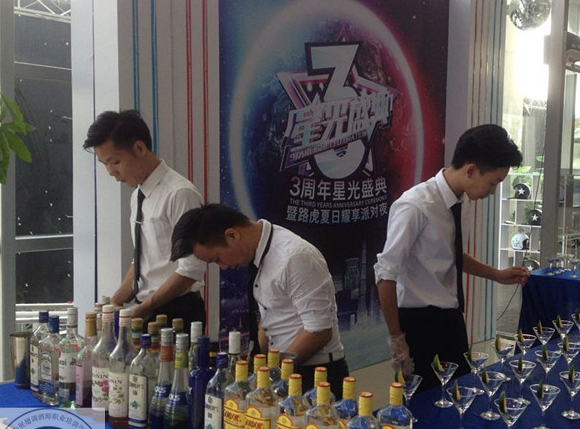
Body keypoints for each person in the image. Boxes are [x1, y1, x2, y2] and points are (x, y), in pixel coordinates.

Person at [374, 124, 530, 390]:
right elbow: (385, 274)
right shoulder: (415, 206)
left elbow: (450, 254)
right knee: (424, 402)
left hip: (451, 318)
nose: (493, 191)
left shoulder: (462, 200)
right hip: (418, 321)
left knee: (460, 394)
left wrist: (496, 274)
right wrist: (396, 339)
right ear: (471, 170)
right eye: (493, 182)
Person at [170, 203, 350, 397]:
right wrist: (260, 366)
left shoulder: (295, 257)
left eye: (217, 259)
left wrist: (273, 373)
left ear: (232, 235)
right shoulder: (261, 254)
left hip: (315, 375)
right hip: (284, 369)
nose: (223, 266)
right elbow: (269, 317)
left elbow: (319, 331)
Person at [83, 110, 206, 324]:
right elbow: (144, 259)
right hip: (145, 308)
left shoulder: (179, 194)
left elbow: (191, 269)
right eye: (104, 164)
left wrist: (143, 308)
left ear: (139, 148)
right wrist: (115, 302)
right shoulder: (138, 195)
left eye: (115, 162)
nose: (111, 172)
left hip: (177, 311)